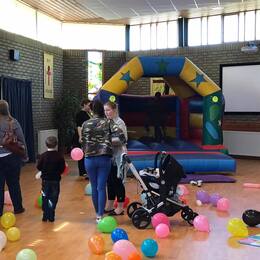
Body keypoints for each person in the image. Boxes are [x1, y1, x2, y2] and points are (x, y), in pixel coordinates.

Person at [81, 100, 126, 223]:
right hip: (104, 159)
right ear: (102, 110)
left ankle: (97, 213)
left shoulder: (86, 123)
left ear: (91, 110)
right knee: (101, 187)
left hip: (89, 159)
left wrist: (87, 150)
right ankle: (100, 215)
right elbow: (121, 136)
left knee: (94, 187)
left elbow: (83, 142)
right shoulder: (109, 122)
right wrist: (111, 143)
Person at [0, 100, 27, 216]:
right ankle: (18, 208)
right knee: (14, 183)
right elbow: (21, 140)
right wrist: (25, 156)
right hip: (12, 157)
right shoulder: (13, 122)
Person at [104, 101, 128, 216]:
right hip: (110, 157)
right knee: (110, 181)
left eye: (108, 110)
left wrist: (105, 141)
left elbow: (123, 140)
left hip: (118, 157)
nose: (106, 112)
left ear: (114, 110)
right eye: (105, 110)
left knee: (118, 181)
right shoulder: (107, 123)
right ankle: (109, 204)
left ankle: (120, 207)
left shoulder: (120, 123)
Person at [37, 136, 65, 222]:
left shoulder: (43, 156)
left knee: (45, 196)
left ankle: (45, 215)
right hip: (55, 180)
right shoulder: (59, 156)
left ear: (46, 145)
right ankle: (51, 213)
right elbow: (62, 168)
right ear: (56, 145)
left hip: (45, 181)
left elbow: (39, 167)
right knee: (54, 197)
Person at [73, 99, 92, 179]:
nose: (89, 107)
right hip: (82, 135)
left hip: (88, 136)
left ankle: (87, 170)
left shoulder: (89, 113)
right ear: (84, 105)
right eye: (88, 105)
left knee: (86, 153)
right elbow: (79, 126)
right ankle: (82, 171)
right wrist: (80, 136)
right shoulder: (80, 114)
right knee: (81, 154)